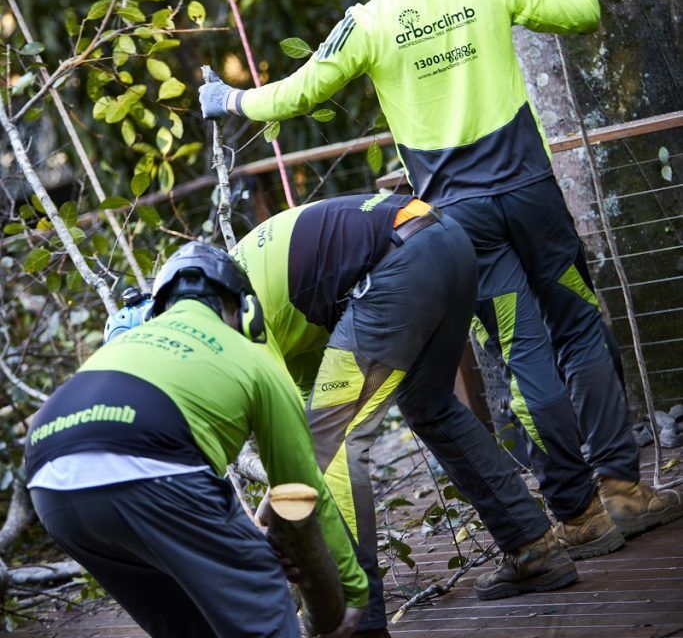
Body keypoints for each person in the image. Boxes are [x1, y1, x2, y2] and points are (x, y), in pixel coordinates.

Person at [199, 0, 682, 574]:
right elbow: (580, 11)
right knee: (578, 324)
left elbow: (291, 96)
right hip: (531, 195)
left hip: (458, 219)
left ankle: (577, 514)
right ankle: (621, 487)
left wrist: (226, 101)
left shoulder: (366, 23)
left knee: (523, 352)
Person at [104, 194, 578, 637]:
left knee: (336, 451)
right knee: (429, 405)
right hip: (441, 239)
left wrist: (280, 508)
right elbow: (302, 407)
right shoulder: (230, 298)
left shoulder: (225, 318)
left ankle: (362, 623)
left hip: (399, 260)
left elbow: (310, 447)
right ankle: (533, 548)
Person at [26, 243, 368, 638]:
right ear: (246, 311)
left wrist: (233, 540)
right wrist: (353, 588)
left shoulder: (125, 345)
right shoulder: (252, 357)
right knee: (261, 598)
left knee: (189, 625)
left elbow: (171, 461)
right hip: (150, 467)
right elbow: (301, 488)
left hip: (49, 482)